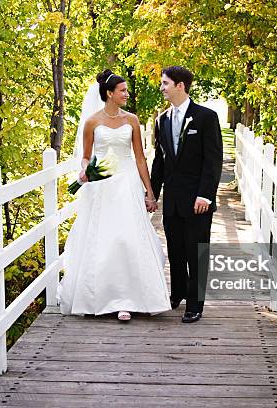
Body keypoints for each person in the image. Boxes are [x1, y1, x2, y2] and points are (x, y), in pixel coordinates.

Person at [57, 69, 171, 321]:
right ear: (109, 94)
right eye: (122, 91)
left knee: (128, 237)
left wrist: (149, 193)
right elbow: (86, 156)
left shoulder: (132, 120)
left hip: (127, 182)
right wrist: (87, 170)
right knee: (103, 237)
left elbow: (140, 158)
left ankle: (129, 300)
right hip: (103, 185)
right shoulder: (92, 122)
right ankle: (97, 297)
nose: (127, 94)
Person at [150, 66, 223, 323]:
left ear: (180, 85)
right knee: (176, 249)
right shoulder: (162, 120)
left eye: (165, 83)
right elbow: (160, 162)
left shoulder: (205, 117)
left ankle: (195, 304)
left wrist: (205, 195)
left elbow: (213, 161)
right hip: (173, 200)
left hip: (198, 200)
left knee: (196, 251)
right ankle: (177, 294)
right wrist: (152, 194)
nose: (162, 88)